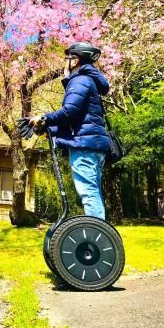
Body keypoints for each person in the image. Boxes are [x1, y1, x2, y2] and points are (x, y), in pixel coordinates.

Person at [30, 42, 110, 220]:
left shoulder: (79, 80)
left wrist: (45, 117)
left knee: (88, 193)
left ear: (74, 61)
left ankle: (97, 237)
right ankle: (99, 232)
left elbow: (69, 111)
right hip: (92, 145)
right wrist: (48, 128)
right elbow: (76, 119)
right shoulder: (90, 82)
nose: (64, 63)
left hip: (83, 146)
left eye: (67, 59)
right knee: (93, 192)